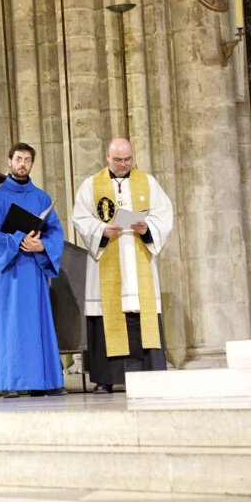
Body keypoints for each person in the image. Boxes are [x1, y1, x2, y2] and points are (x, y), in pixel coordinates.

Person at [72, 138, 174, 393]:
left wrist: (147, 227)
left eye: (127, 159)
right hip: (108, 255)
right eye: (118, 160)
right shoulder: (91, 185)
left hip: (137, 255)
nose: (123, 164)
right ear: (108, 156)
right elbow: (80, 217)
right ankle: (106, 379)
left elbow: (164, 214)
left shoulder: (147, 182)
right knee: (106, 316)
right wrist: (101, 229)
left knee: (141, 314)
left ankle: (149, 376)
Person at [0, 143, 66, 397]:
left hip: (33, 269)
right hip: (9, 270)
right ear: (9, 162)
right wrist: (19, 238)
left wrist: (42, 245)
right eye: (18, 159)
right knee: (12, 325)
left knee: (36, 323)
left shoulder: (42, 197)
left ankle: (41, 381)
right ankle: (11, 382)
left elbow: (56, 232)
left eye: (27, 160)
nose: (22, 164)